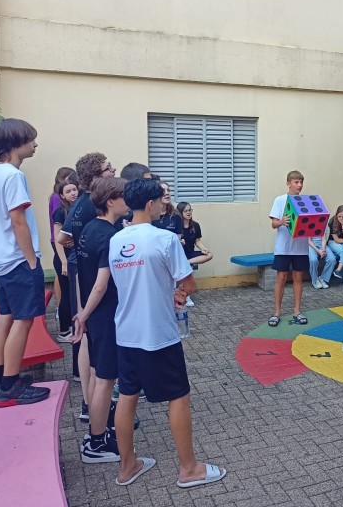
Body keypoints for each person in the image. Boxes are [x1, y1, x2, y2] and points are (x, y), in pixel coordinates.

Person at [109, 179, 226, 487]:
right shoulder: (164, 239)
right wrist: (179, 294)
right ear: (150, 204)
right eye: (161, 200)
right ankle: (189, 469)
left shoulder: (116, 240)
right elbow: (189, 283)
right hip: (158, 333)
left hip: (126, 332)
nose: (165, 205)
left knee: (127, 396)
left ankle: (127, 466)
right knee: (178, 396)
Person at [0, 118, 50, 406]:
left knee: (6, 316)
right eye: (30, 139)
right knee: (23, 321)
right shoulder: (13, 176)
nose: (35, 144)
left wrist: (0, 242)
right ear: (15, 143)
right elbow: (18, 220)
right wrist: (31, 260)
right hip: (18, 261)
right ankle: (10, 386)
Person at [70, 177, 127, 463]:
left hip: (95, 315)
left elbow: (81, 274)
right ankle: (96, 443)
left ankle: (97, 433)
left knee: (97, 375)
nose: (128, 201)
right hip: (104, 316)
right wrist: (84, 314)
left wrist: (82, 313)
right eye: (123, 196)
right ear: (111, 201)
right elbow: (100, 285)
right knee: (105, 379)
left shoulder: (90, 229)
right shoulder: (109, 237)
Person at [56, 152, 116, 421]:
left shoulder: (81, 202)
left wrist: (78, 246)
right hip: (89, 275)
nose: (112, 170)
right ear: (94, 177)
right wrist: (82, 250)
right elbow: (62, 238)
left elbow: (64, 237)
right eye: (107, 168)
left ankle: (89, 402)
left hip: (82, 270)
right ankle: (93, 404)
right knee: (88, 336)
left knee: (86, 335)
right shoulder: (93, 203)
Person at [268, 171, 310, 327]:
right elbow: (273, 224)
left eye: (301, 182)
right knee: (281, 277)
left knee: (298, 277)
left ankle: (297, 311)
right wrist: (281, 222)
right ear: (288, 183)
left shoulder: (305, 201)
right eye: (296, 182)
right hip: (283, 247)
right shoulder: (280, 200)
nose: (299, 185)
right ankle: (277, 312)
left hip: (300, 247)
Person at [51, 173, 79, 342]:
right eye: (68, 191)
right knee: (67, 294)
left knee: (75, 294)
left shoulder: (79, 209)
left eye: (74, 189)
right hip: (64, 259)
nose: (73, 193)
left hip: (75, 257)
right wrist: (63, 262)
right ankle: (63, 331)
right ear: (62, 195)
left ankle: (75, 326)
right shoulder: (60, 212)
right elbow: (57, 239)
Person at [176, 202, 213, 266]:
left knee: (209, 255)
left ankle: (186, 262)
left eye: (190, 210)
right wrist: (179, 242)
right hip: (178, 254)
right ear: (180, 212)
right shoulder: (176, 225)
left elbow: (197, 241)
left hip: (190, 253)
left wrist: (203, 248)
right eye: (185, 211)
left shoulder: (195, 225)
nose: (188, 212)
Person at [308, 223, 336, 289]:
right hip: (311, 245)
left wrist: (323, 249)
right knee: (313, 260)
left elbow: (324, 239)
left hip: (322, 244)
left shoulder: (323, 223)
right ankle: (314, 280)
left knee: (332, 259)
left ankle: (323, 278)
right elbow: (309, 241)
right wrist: (318, 251)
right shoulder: (309, 223)